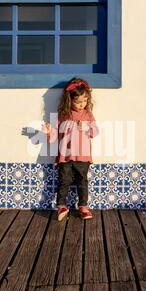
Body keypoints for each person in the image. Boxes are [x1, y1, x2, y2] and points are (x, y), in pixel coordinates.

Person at [42, 78, 100, 221]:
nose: (82, 105)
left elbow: (96, 131)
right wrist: (49, 131)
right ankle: (62, 205)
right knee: (64, 180)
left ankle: (83, 207)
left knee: (82, 181)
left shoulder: (87, 115)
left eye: (84, 101)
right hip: (65, 156)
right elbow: (55, 136)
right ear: (70, 100)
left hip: (82, 156)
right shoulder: (63, 115)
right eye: (78, 102)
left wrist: (86, 127)